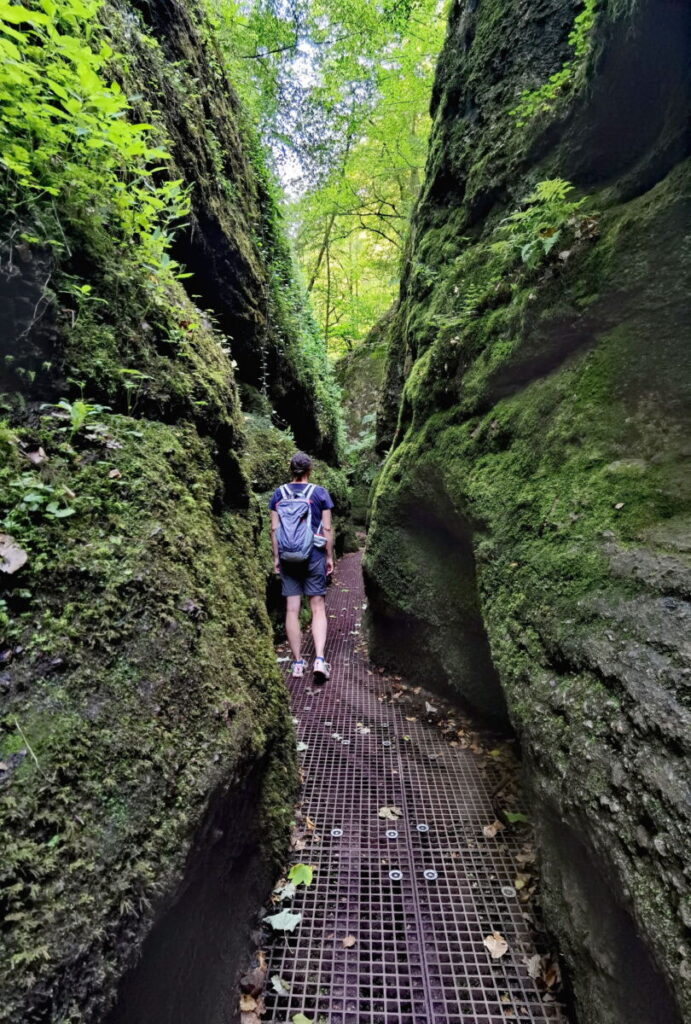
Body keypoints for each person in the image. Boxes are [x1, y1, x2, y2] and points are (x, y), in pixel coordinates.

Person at [269, 452, 334, 683]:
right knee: (317, 607)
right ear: (310, 469)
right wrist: (329, 556)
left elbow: (275, 530)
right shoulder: (319, 493)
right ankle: (319, 659)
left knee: (292, 609)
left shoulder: (279, 494)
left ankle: (297, 663)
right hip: (314, 554)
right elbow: (326, 529)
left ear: (291, 469)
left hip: (288, 557)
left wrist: (277, 557)